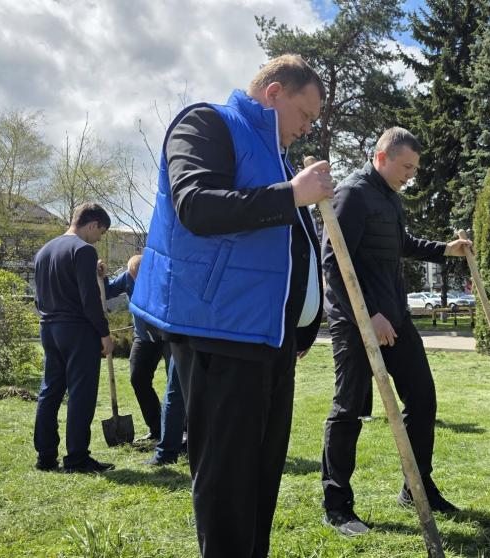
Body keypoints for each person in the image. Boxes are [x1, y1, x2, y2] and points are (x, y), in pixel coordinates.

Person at [129, 54, 332, 558]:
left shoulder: (278, 158)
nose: (307, 129)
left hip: (270, 341)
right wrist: (291, 195)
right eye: (306, 114)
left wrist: (300, 326)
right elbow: (196, 205)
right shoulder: (206, 124)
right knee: (227, 483)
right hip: (220, 332)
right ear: (275, 93)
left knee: (260, 479)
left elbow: (289, 252)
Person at [319, 127, 472, 536]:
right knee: (349, 408)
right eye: (406, 166)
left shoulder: (389, 196)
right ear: (382, 157)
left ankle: (416, 488)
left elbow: (400, 243)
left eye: (414, 169)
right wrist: (367, 315)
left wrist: (445, 250)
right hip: (355, 324)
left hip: (396, 319)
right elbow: (334, 263)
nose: (410, 175)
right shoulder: (351, 195)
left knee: (423, 399)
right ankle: (337, 505)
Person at [33, 203, 117, 473]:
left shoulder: (44, 251)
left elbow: (39, 296)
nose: (99, 238)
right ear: (92, 225)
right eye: (100, 232)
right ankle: (77, 459)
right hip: (78, 330)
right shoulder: (84, 250)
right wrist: (104, 333)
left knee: (50, 391)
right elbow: (89, 300)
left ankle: (46, 458)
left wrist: (96, 273)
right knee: (81, 394)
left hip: (48, 327)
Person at [108, 254, 171, 445]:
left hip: (169, 336)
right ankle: (157, 429)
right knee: (138, 379)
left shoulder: (164, 277)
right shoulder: (128, 276)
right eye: (134, 277)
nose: (136, 281)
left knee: (175, 384)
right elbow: (108, 290)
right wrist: (99, 276)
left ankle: (181, 430)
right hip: (143, 337)